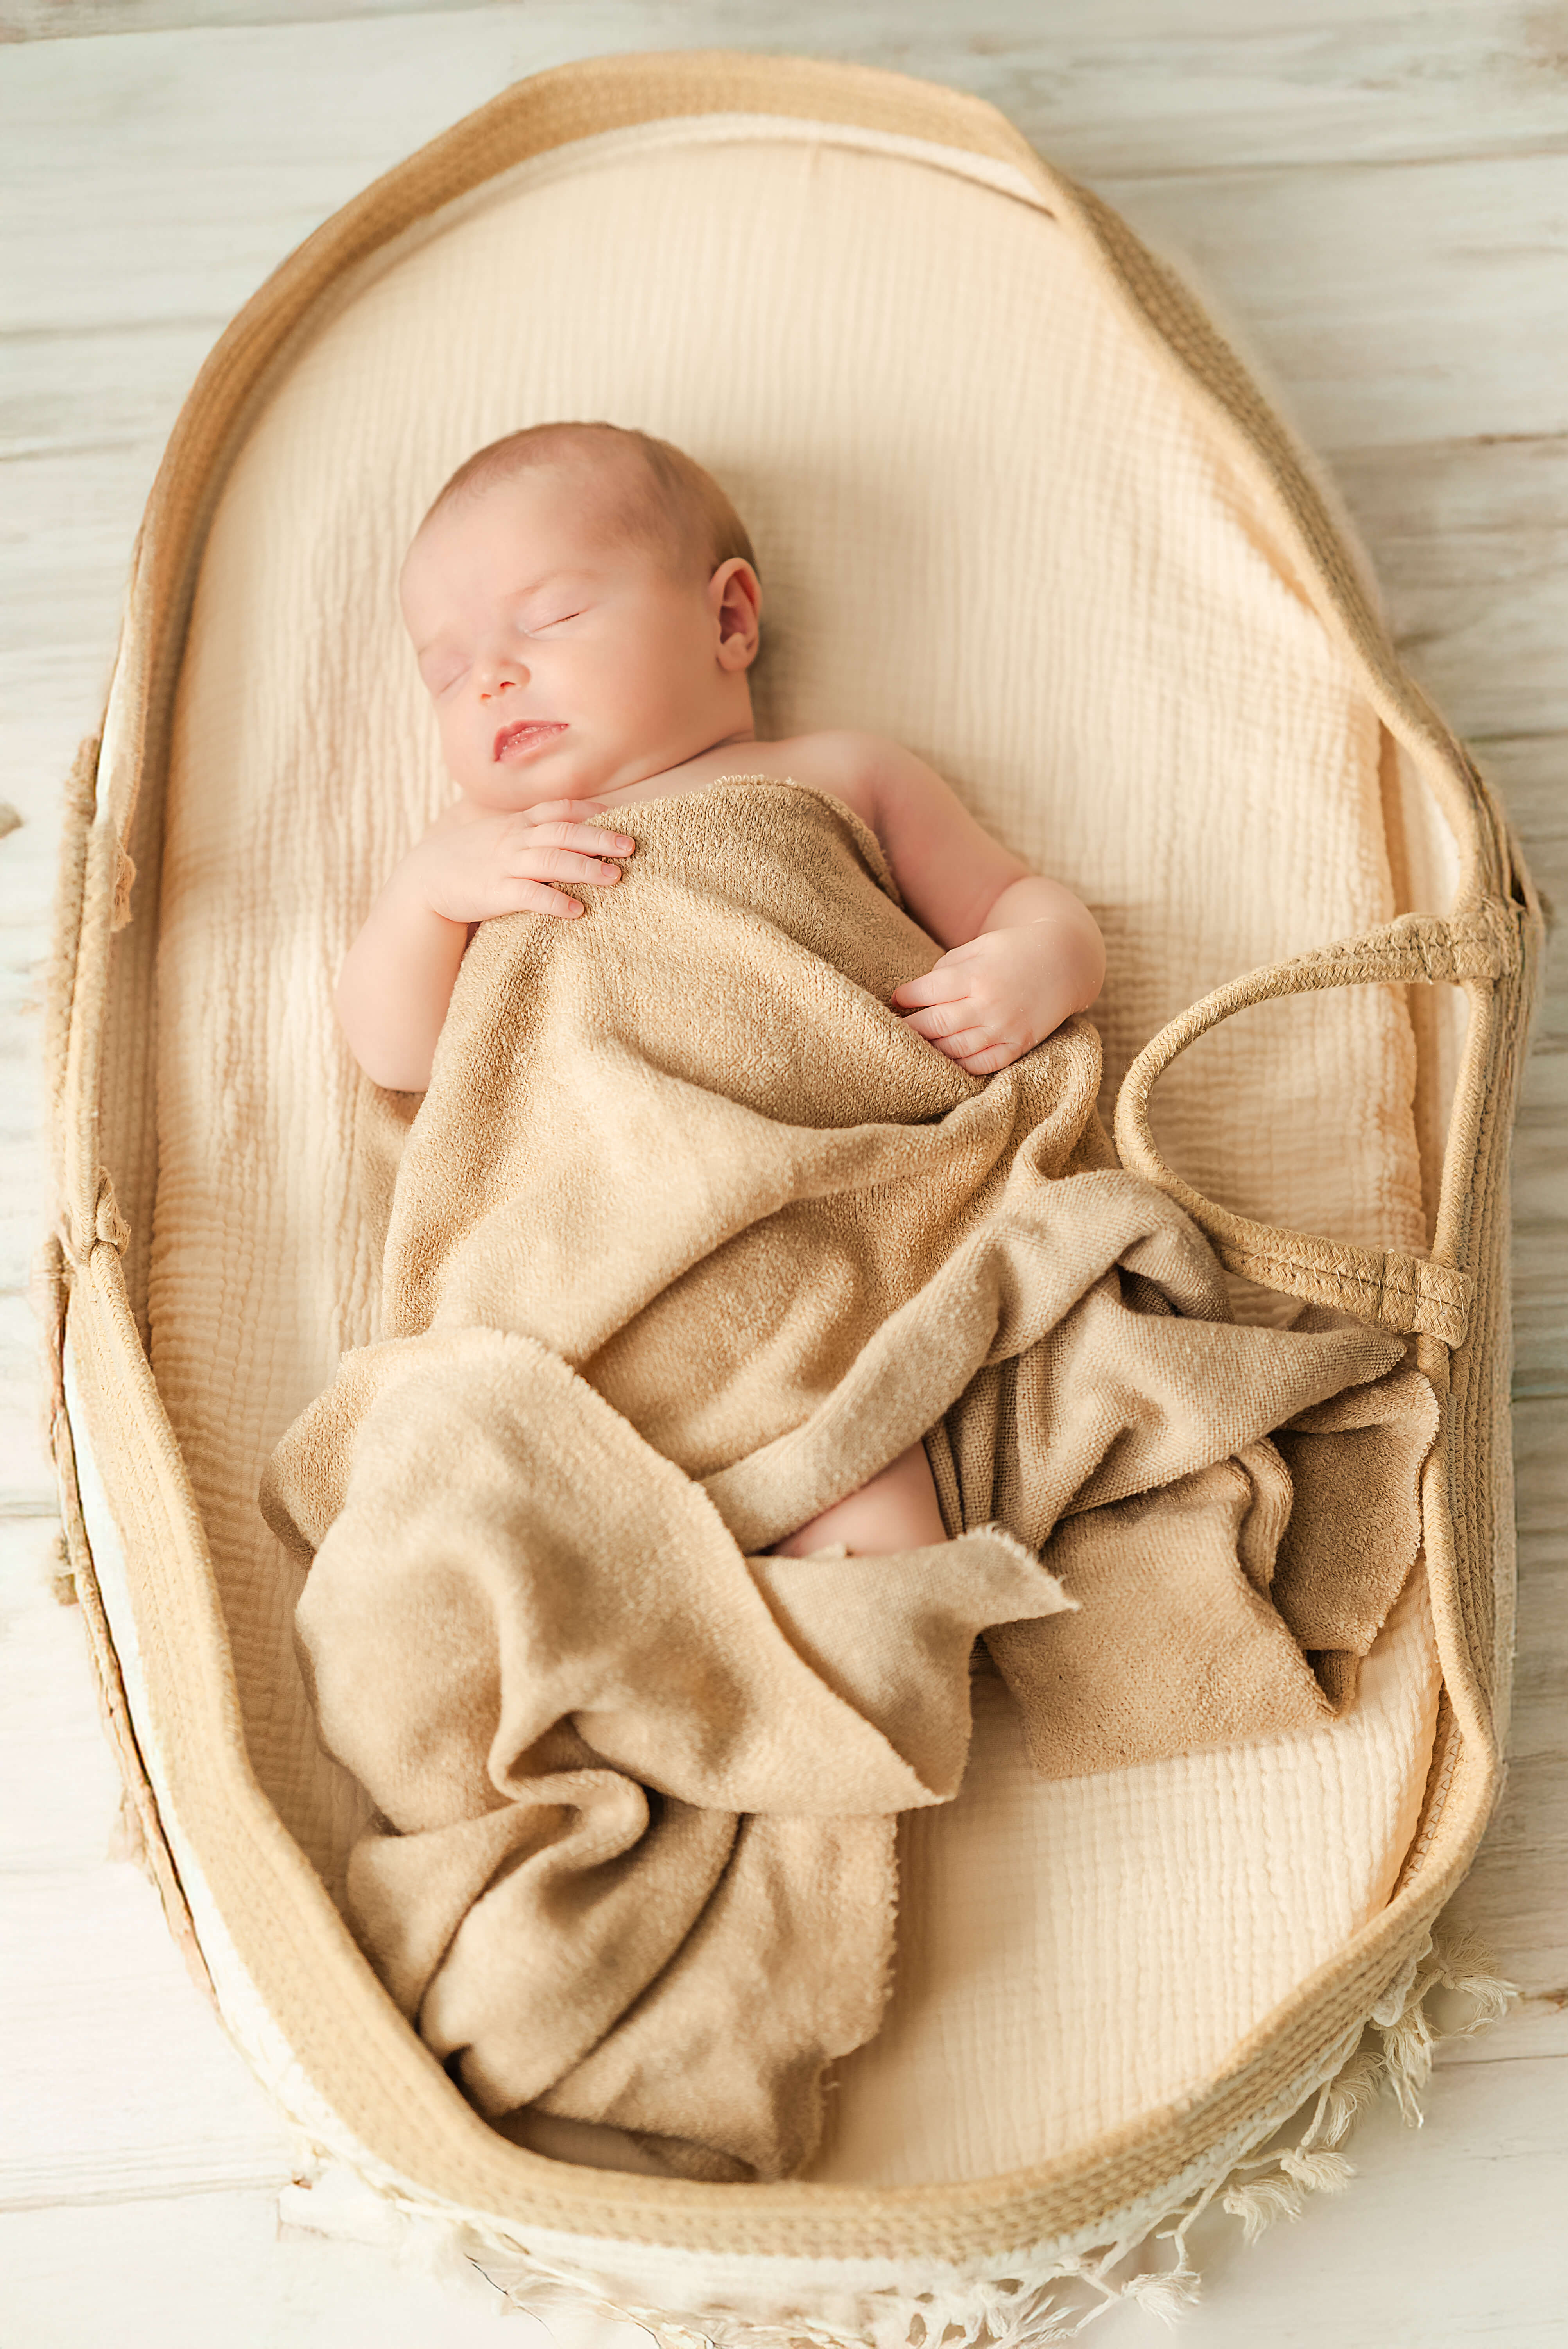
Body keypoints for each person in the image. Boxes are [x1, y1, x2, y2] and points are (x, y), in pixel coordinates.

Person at [337, 421, 1105, 1561]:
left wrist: (1036, 963)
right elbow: (400, 1057)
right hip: (593, 1242)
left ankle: (865, 1662)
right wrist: (424, 898)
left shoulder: (840, 774)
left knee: (853, 1454)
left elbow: (1022, 903)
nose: (489, 675)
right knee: (515, 1502)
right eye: (445, 671)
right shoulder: (476, 849)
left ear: (727, 618)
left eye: (549, 618)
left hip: (821, 1208)